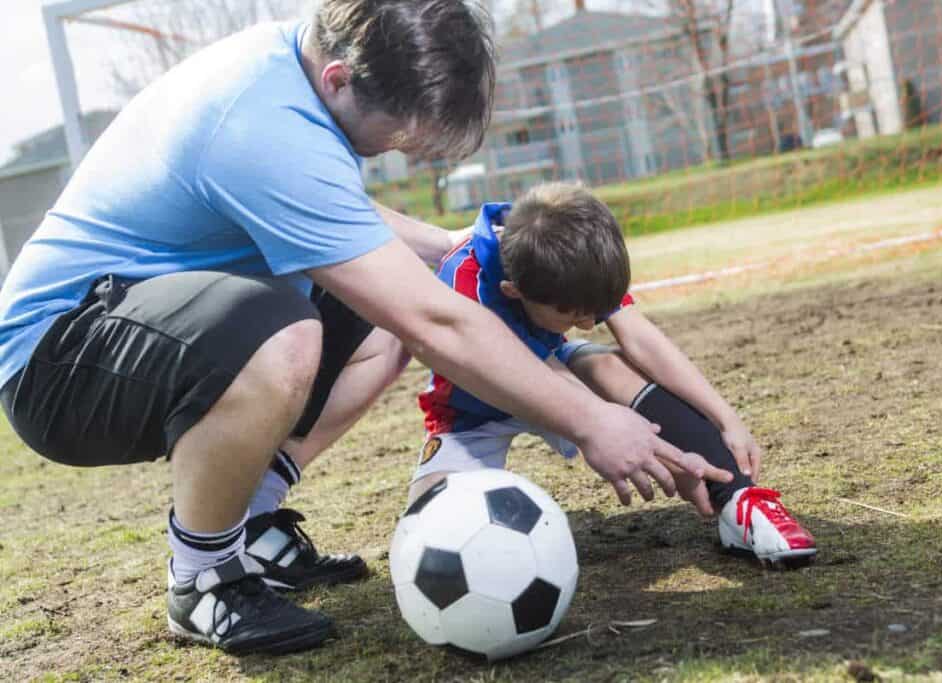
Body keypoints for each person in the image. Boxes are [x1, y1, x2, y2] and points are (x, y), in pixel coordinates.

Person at [0, 1, 724, 655]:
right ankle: (202, 579)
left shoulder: (291, 78)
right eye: (403, 129)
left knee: (375, 321)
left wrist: (449, 247)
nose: (411, 143)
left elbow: (331, 215)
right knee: (286, 333)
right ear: (341, 78)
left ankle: (245, 520)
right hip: (58, 359)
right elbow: (438, 322)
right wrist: (590, 420)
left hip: (137, 321)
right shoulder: (259, 120)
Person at [412, 183, 816, 567]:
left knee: (606, 363)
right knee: (427, 536)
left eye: (595, 312)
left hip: (554, 368)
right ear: (513, 291)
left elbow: (642, 340)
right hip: (472, 411)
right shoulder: (464, 285)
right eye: (574, 316)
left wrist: (726, 418)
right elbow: (541, 381)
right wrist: (658, 454)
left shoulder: (569, 245)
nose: (588, 324)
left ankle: (739, 500)